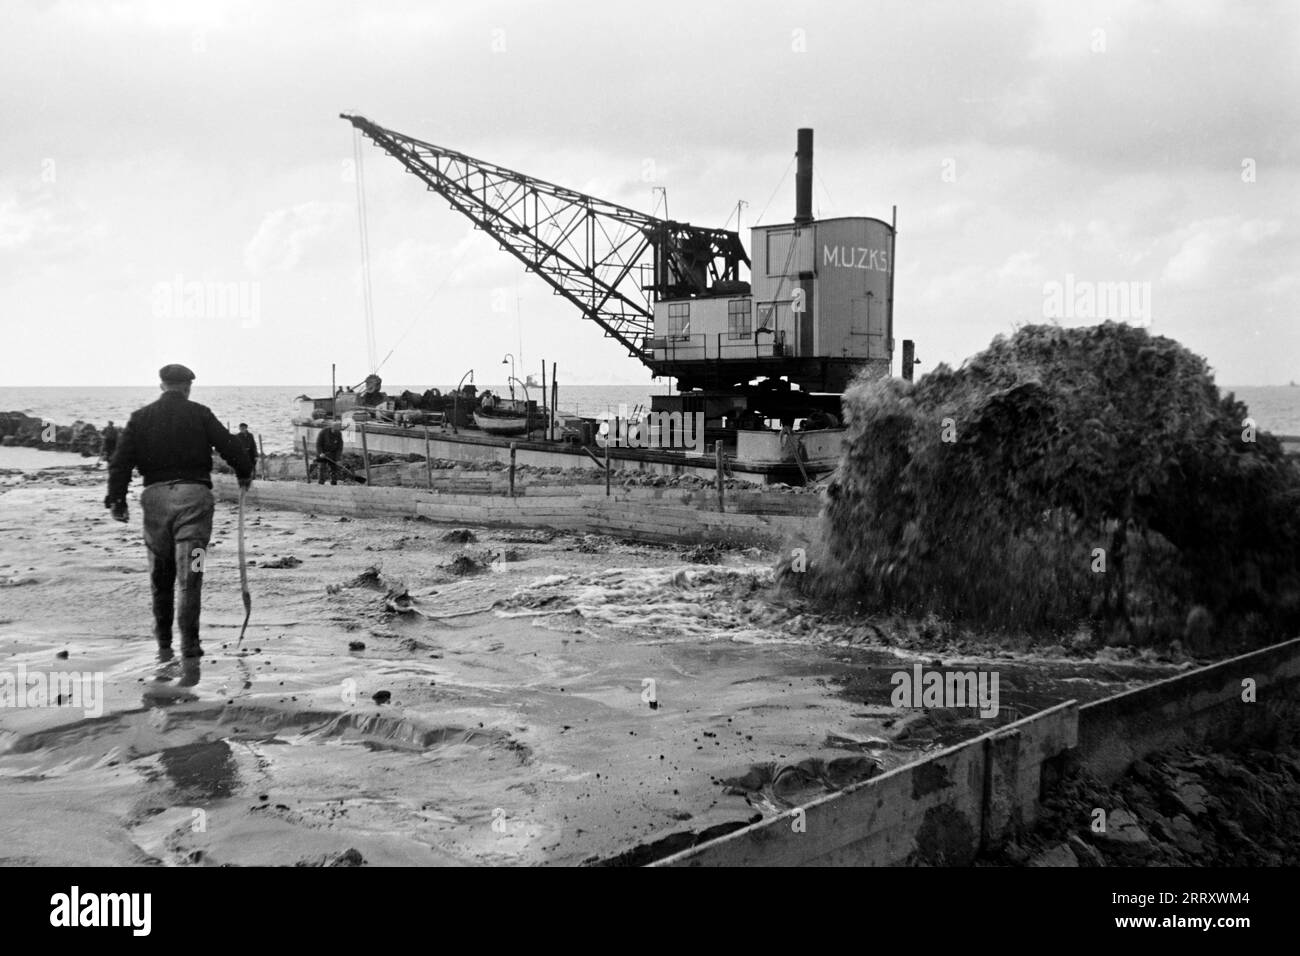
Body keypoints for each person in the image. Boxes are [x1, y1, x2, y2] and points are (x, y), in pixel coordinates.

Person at [105, 364, 252, 659]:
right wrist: (244, 472)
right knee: (192, 575)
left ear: (161, 385)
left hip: (155, 501)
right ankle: (190, 645)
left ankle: (163, 645)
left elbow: (120, 463)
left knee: (160, 576)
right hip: (195, 500)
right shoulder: (201, 413)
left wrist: (117, 501)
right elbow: (230, 445)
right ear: (187, 387)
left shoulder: (140, 418)